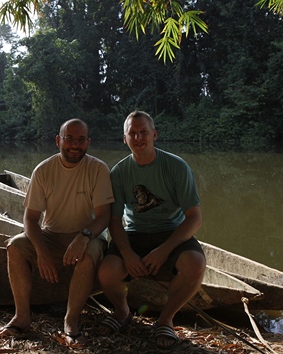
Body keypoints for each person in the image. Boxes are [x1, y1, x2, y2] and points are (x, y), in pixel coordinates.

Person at [0, 118, 114, 346]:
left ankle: (71, 321)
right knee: (15, 245)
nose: (74, 145)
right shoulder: (43, 170)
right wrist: (42, 252)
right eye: (69, 138)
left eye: (81, 140)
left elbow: (104, 217)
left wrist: (83, 236)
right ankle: (22, 316)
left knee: (88, 254)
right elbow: (30, 219)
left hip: (88, 235)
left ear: (88, 143)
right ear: (58, 140)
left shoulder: (98, 169)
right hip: (51, 235)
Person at [97, 111, 206, 350]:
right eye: (132, 133)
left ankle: (165, 319)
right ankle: (122, 311)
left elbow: (194, 218)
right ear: (124, 139)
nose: (138, 137)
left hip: (171, 233)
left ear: (154, 135)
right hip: (135, 234)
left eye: (143, 132)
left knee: (195, 264)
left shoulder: (176, 167)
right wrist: (127, 253)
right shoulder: (119, 173)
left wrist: (164, 250)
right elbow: (114, 220)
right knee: (106, 272)